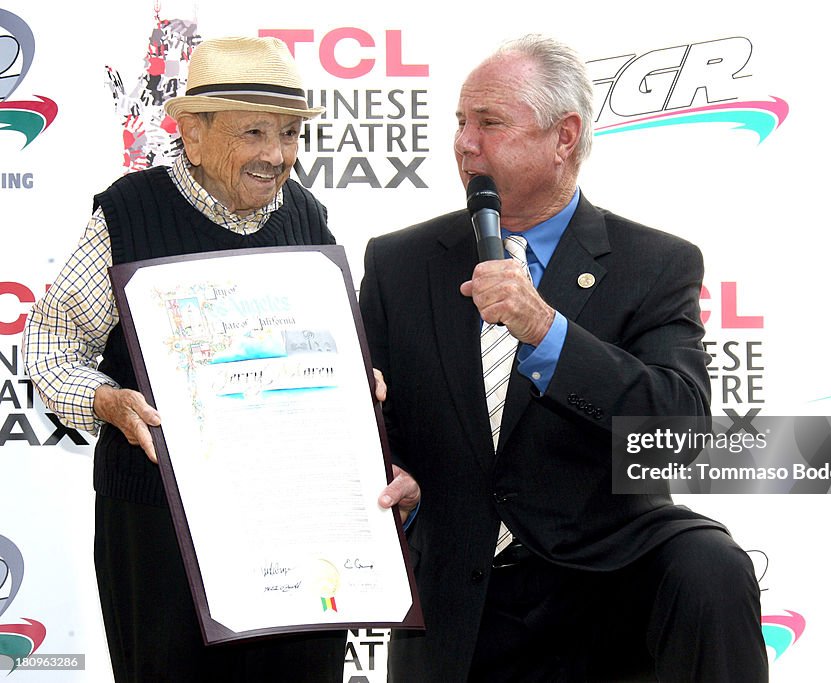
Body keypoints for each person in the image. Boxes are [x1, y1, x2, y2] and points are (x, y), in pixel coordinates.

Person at [359, 35, 769, 682]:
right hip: (460, 597)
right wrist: (393, 468)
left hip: (601, 586)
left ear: (564, 136)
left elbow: (679, 431)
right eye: (460, 122)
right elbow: (375, 422)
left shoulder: (655, 265)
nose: (465, 142)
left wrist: (547, 330)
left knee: (711, 566)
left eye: (489, 123)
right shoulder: (398, 263)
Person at [22, 36, 419, 682]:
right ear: (194, 135)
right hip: (159, 534)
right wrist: (108, 402)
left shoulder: (307, 215)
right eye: (256, 132)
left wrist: (355, 375)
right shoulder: (129, 213)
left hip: (294, 529)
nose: (278, 155)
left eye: (290, 134)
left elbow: (332, 338)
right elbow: (51, 346)